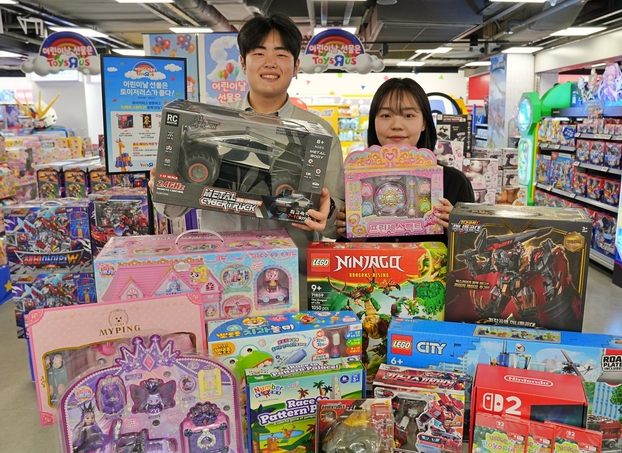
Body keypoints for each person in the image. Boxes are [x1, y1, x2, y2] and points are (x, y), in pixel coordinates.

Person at [153, 13, 344, 305]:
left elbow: (332, 216)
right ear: (243, 63)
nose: (270, 62)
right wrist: (165, 184)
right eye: (259, 53)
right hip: (223, 275)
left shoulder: (317, 133)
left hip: (290, 278)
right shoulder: (206, 124)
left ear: (296, 66)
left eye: (281, 54)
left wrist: (326, 214)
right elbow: (173, 207)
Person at [336, 78, 474, 243]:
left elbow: (472, 250)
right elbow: (345, 253)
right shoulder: (355, 181)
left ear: (424, 122)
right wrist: (354, 235)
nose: (397, 125)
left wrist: (458, 232)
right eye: (385, 115)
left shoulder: (454, 183)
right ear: (374, 122)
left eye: (408, 115)